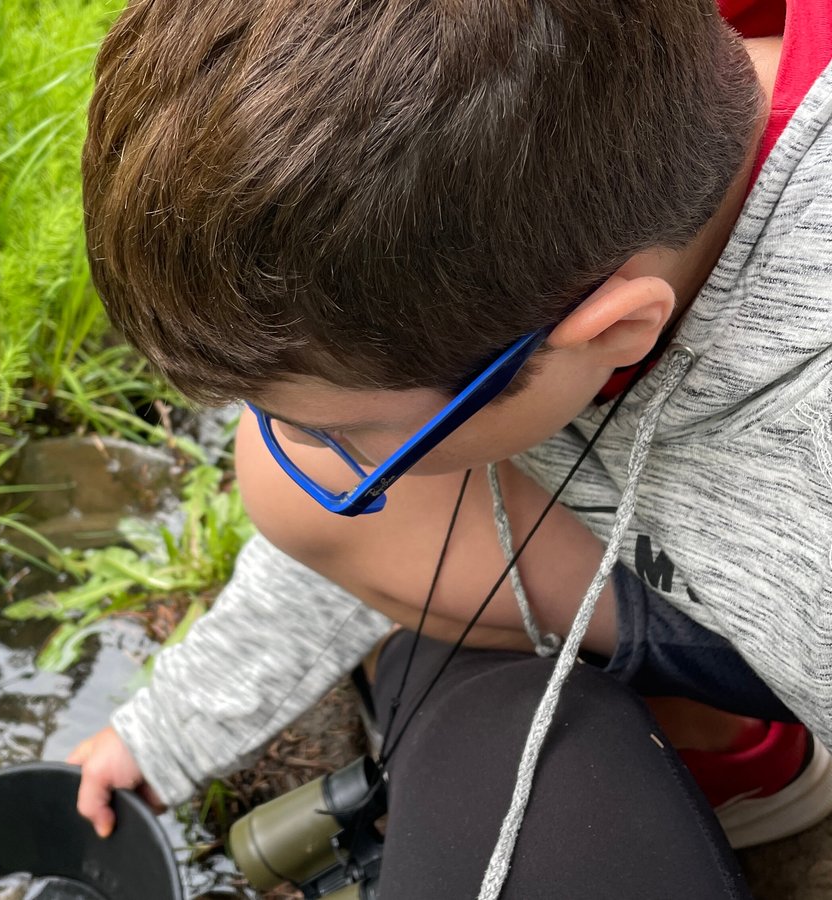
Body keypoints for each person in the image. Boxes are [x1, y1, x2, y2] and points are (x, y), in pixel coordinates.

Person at [67, 0, 832, 894]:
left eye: (346, 432)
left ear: (614, 330)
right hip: (694, 548)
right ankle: (733, 746)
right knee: (299, 486)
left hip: (788, 597)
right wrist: (168, 727)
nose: (306, 446)